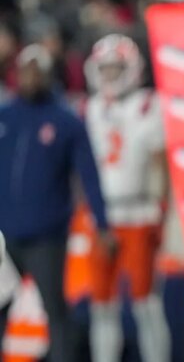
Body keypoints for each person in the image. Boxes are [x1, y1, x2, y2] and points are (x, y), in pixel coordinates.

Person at [0, 44, 114, 362]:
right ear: (16, 73)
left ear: (49, 75)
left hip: (46, 235)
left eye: (38, 70)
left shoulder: (65, 121)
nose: (31, 77)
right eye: (27, 69)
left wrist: (102, 224)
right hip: (4, 235)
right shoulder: (5, 115)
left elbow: (89, 175)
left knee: (55, 309)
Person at [82, 34, 170, 362]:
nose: (109, 75)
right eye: (104, 69)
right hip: (102, 216)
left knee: (145, 302)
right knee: (101, 303)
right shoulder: (90, 108)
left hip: (141, 210)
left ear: (132, 67)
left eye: (116, 68)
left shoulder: (149, 104)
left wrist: (162, 212)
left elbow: (160, 163)